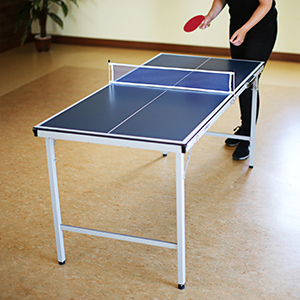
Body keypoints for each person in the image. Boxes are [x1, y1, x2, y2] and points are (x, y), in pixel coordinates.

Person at [200, 0, 277, 160]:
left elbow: (265, 4)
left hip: (261, 28)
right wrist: (210, 16)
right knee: (240, 80)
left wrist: (244, 30)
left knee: (250, 82)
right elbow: (221, 0)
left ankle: (247, 136)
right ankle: (244, 128)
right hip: (237, 24)